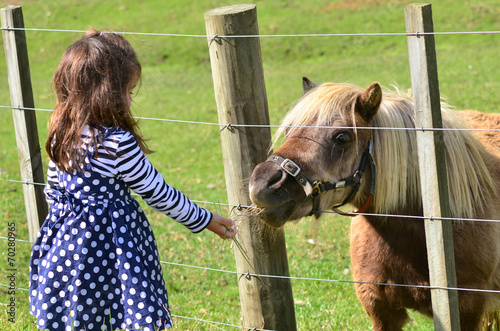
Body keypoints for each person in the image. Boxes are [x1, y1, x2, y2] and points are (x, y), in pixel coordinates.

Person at [29, 29, 236, 331]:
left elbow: (53, 192)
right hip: (116, 249)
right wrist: (204, 219)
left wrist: (63, 232)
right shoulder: (117, 144)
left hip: (69, 246)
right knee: (124, 311)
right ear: (104, 93)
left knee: (81, 314)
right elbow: (158, 193)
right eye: (126, 91)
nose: (129, 100)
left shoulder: (64, 135)